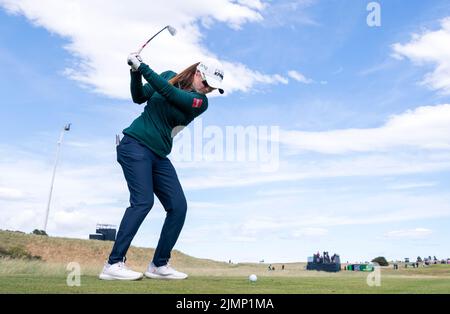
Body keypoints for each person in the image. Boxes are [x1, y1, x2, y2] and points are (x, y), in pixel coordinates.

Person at [99, 53, 224, 281]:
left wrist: (143, 66)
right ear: (198, 72)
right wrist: (135, 72)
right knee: (143, 202)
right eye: (206, 83)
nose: (208, 89)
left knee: (178, 207)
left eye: (213, 88)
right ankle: (113, 263)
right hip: (135, 145)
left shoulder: (200, 102)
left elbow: (171, 94)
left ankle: (158, 265)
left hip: (158, 155)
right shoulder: (168, 77)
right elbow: (138, 97)